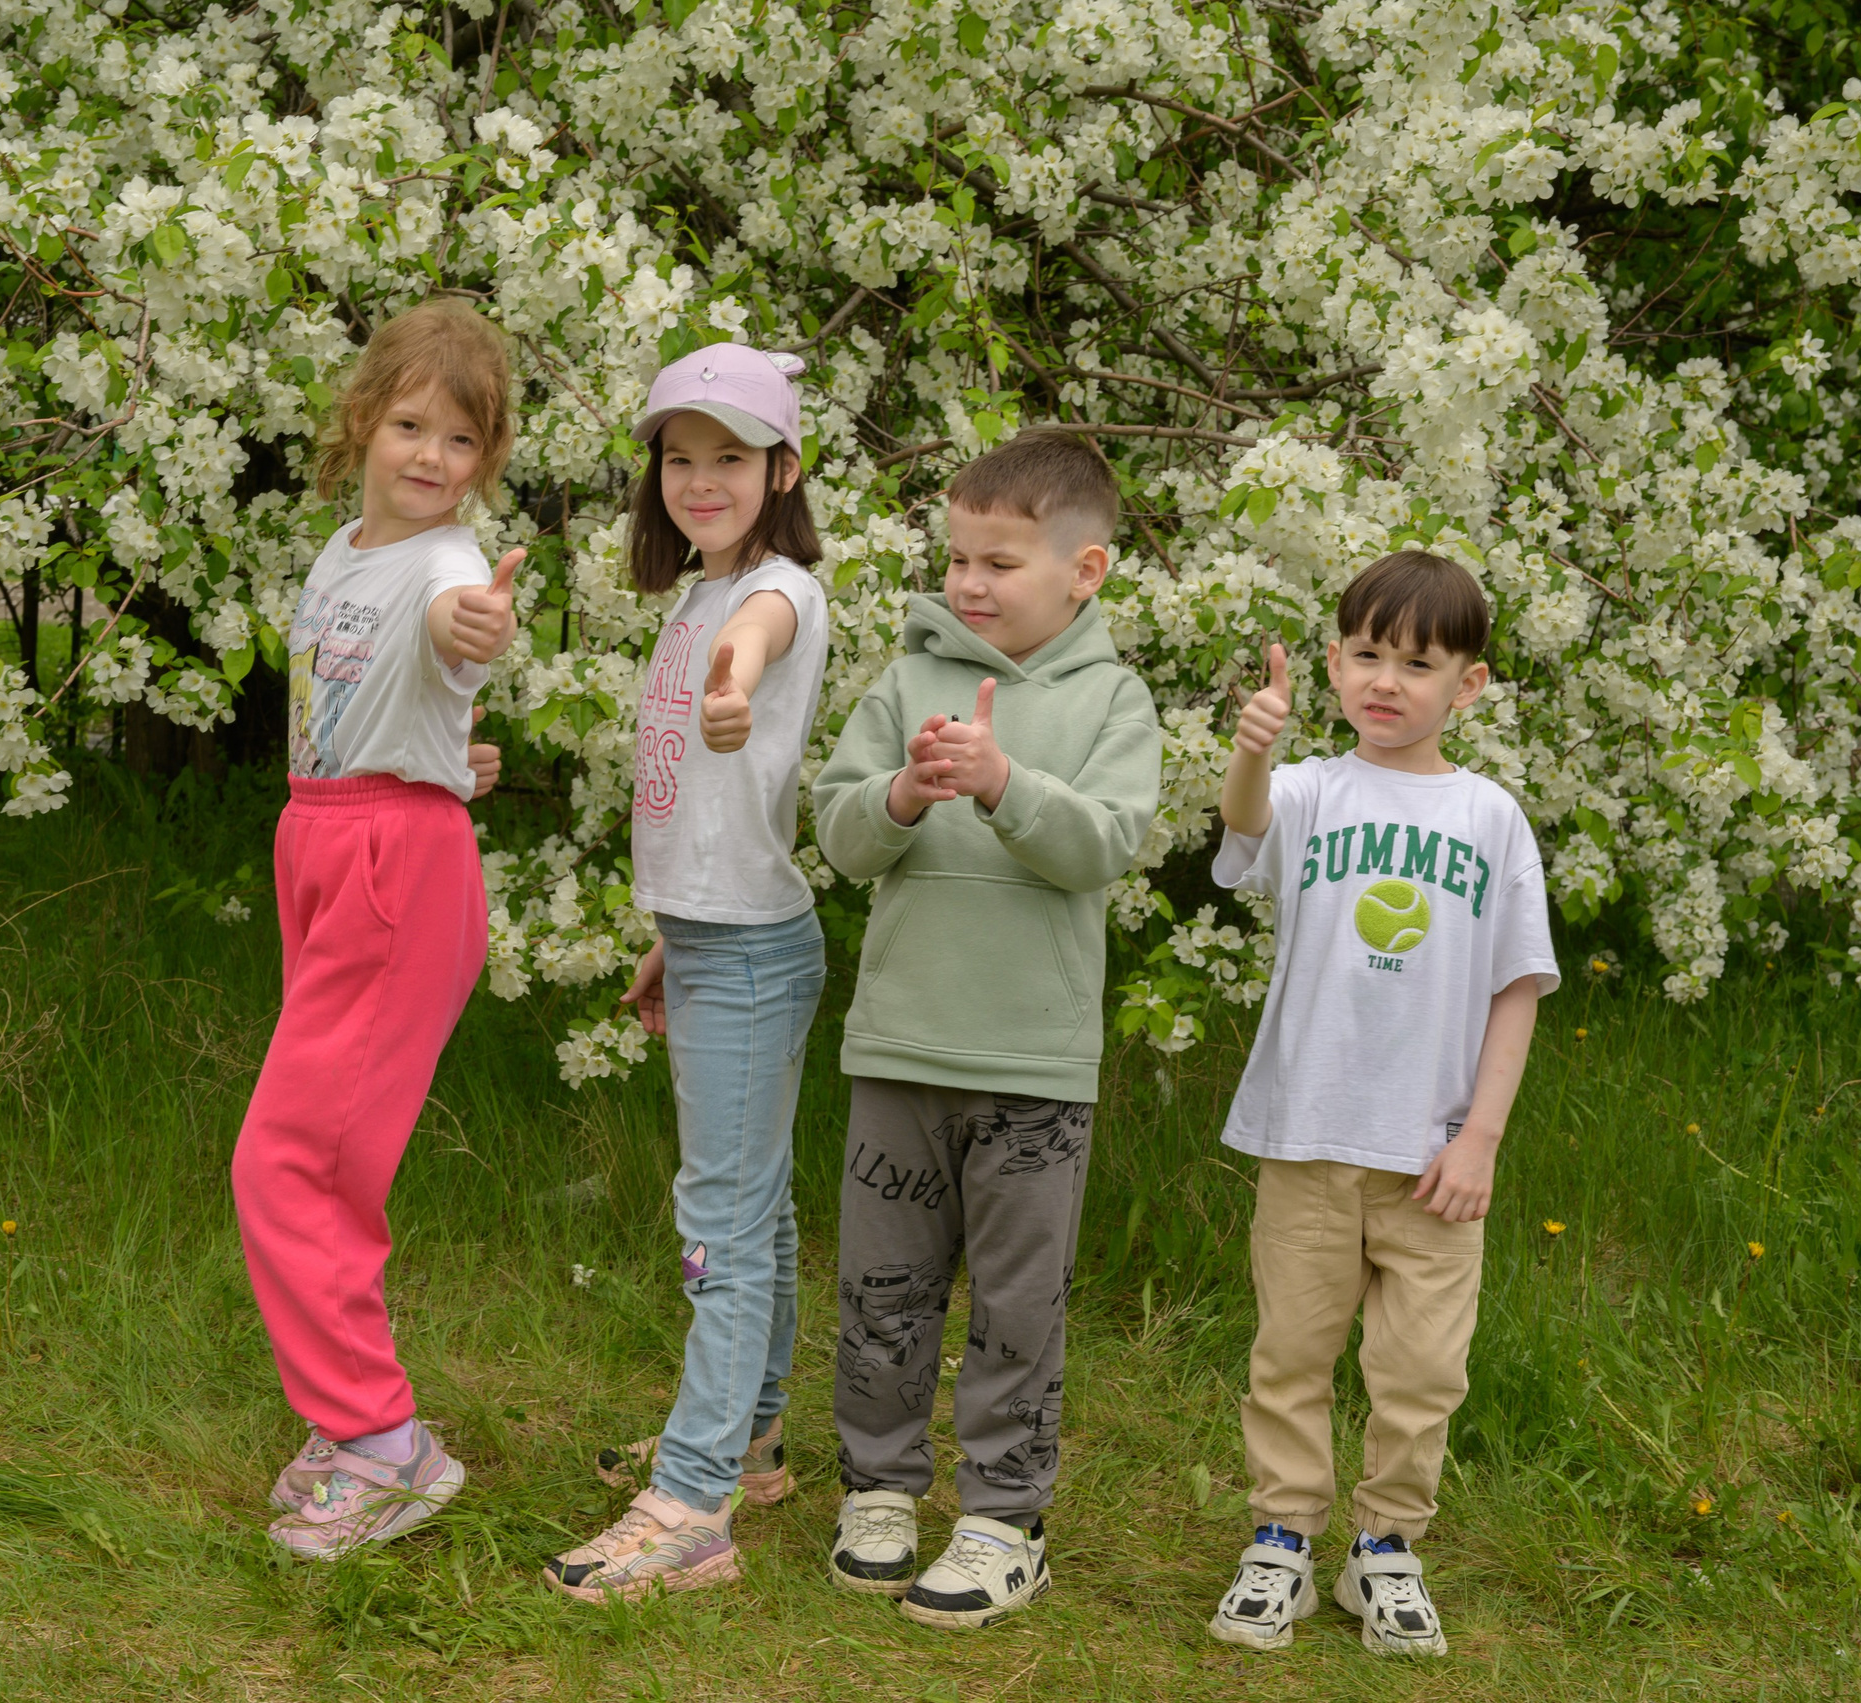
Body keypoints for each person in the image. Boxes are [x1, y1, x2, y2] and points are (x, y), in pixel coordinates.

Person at [810, 428, 1163, 1629]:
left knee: (1018, 1303)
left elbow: (1106, 845)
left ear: (1087, 570)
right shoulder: (903, 680)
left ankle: (1005, 1517)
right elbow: (842, 835)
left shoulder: (1114, 699)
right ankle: (879, 1487)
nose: (966, 582)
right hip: (899, 1047)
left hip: (1031, 1063)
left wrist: (1005, 783)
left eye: (999, 561)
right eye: (957, 555)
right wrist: (903, 791)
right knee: (882, 1288)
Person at [1202, 550, 1557, 1656]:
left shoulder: (1490, 818)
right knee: (1291, 1351)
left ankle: (1386, 1550)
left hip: (1431, 1156)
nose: (1385, 680)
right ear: (1332, 661)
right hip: (1308, 1136)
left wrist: (1480, 1138)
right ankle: (1281, 1539)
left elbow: (1516, 989)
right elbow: (1247, 833)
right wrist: (1249, 751)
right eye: (1365, 654)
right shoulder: (1308, 790)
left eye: (1417, 661)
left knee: (1421, 1368)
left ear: (1470, 684)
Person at [232, 297, 525, 1560]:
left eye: (459, 442)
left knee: (290, 1160)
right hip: (328, 839)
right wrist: (446, 756)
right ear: (361, 423)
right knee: (324, 1157)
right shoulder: (345, 552)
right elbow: (373, 706)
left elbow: (460, 629)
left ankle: (385, 1444)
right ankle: (352, 1425)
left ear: (485, 462)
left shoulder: (450, 567)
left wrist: (476, 640)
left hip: (390, 870)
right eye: (409, 425)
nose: (429, 458)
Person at [545, 343, 832, 1602]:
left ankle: (693, 1499)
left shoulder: (770, 595)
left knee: (718, 1225)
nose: (700, 480)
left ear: (784, 468)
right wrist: (676, 927)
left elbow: (756, 654)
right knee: (754, 1209)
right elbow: (714, 804)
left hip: (755, 954)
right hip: (717, 935)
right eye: (679, 458)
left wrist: (737, 685)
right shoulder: (695, 591)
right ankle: (754, 1442)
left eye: (730, 458)